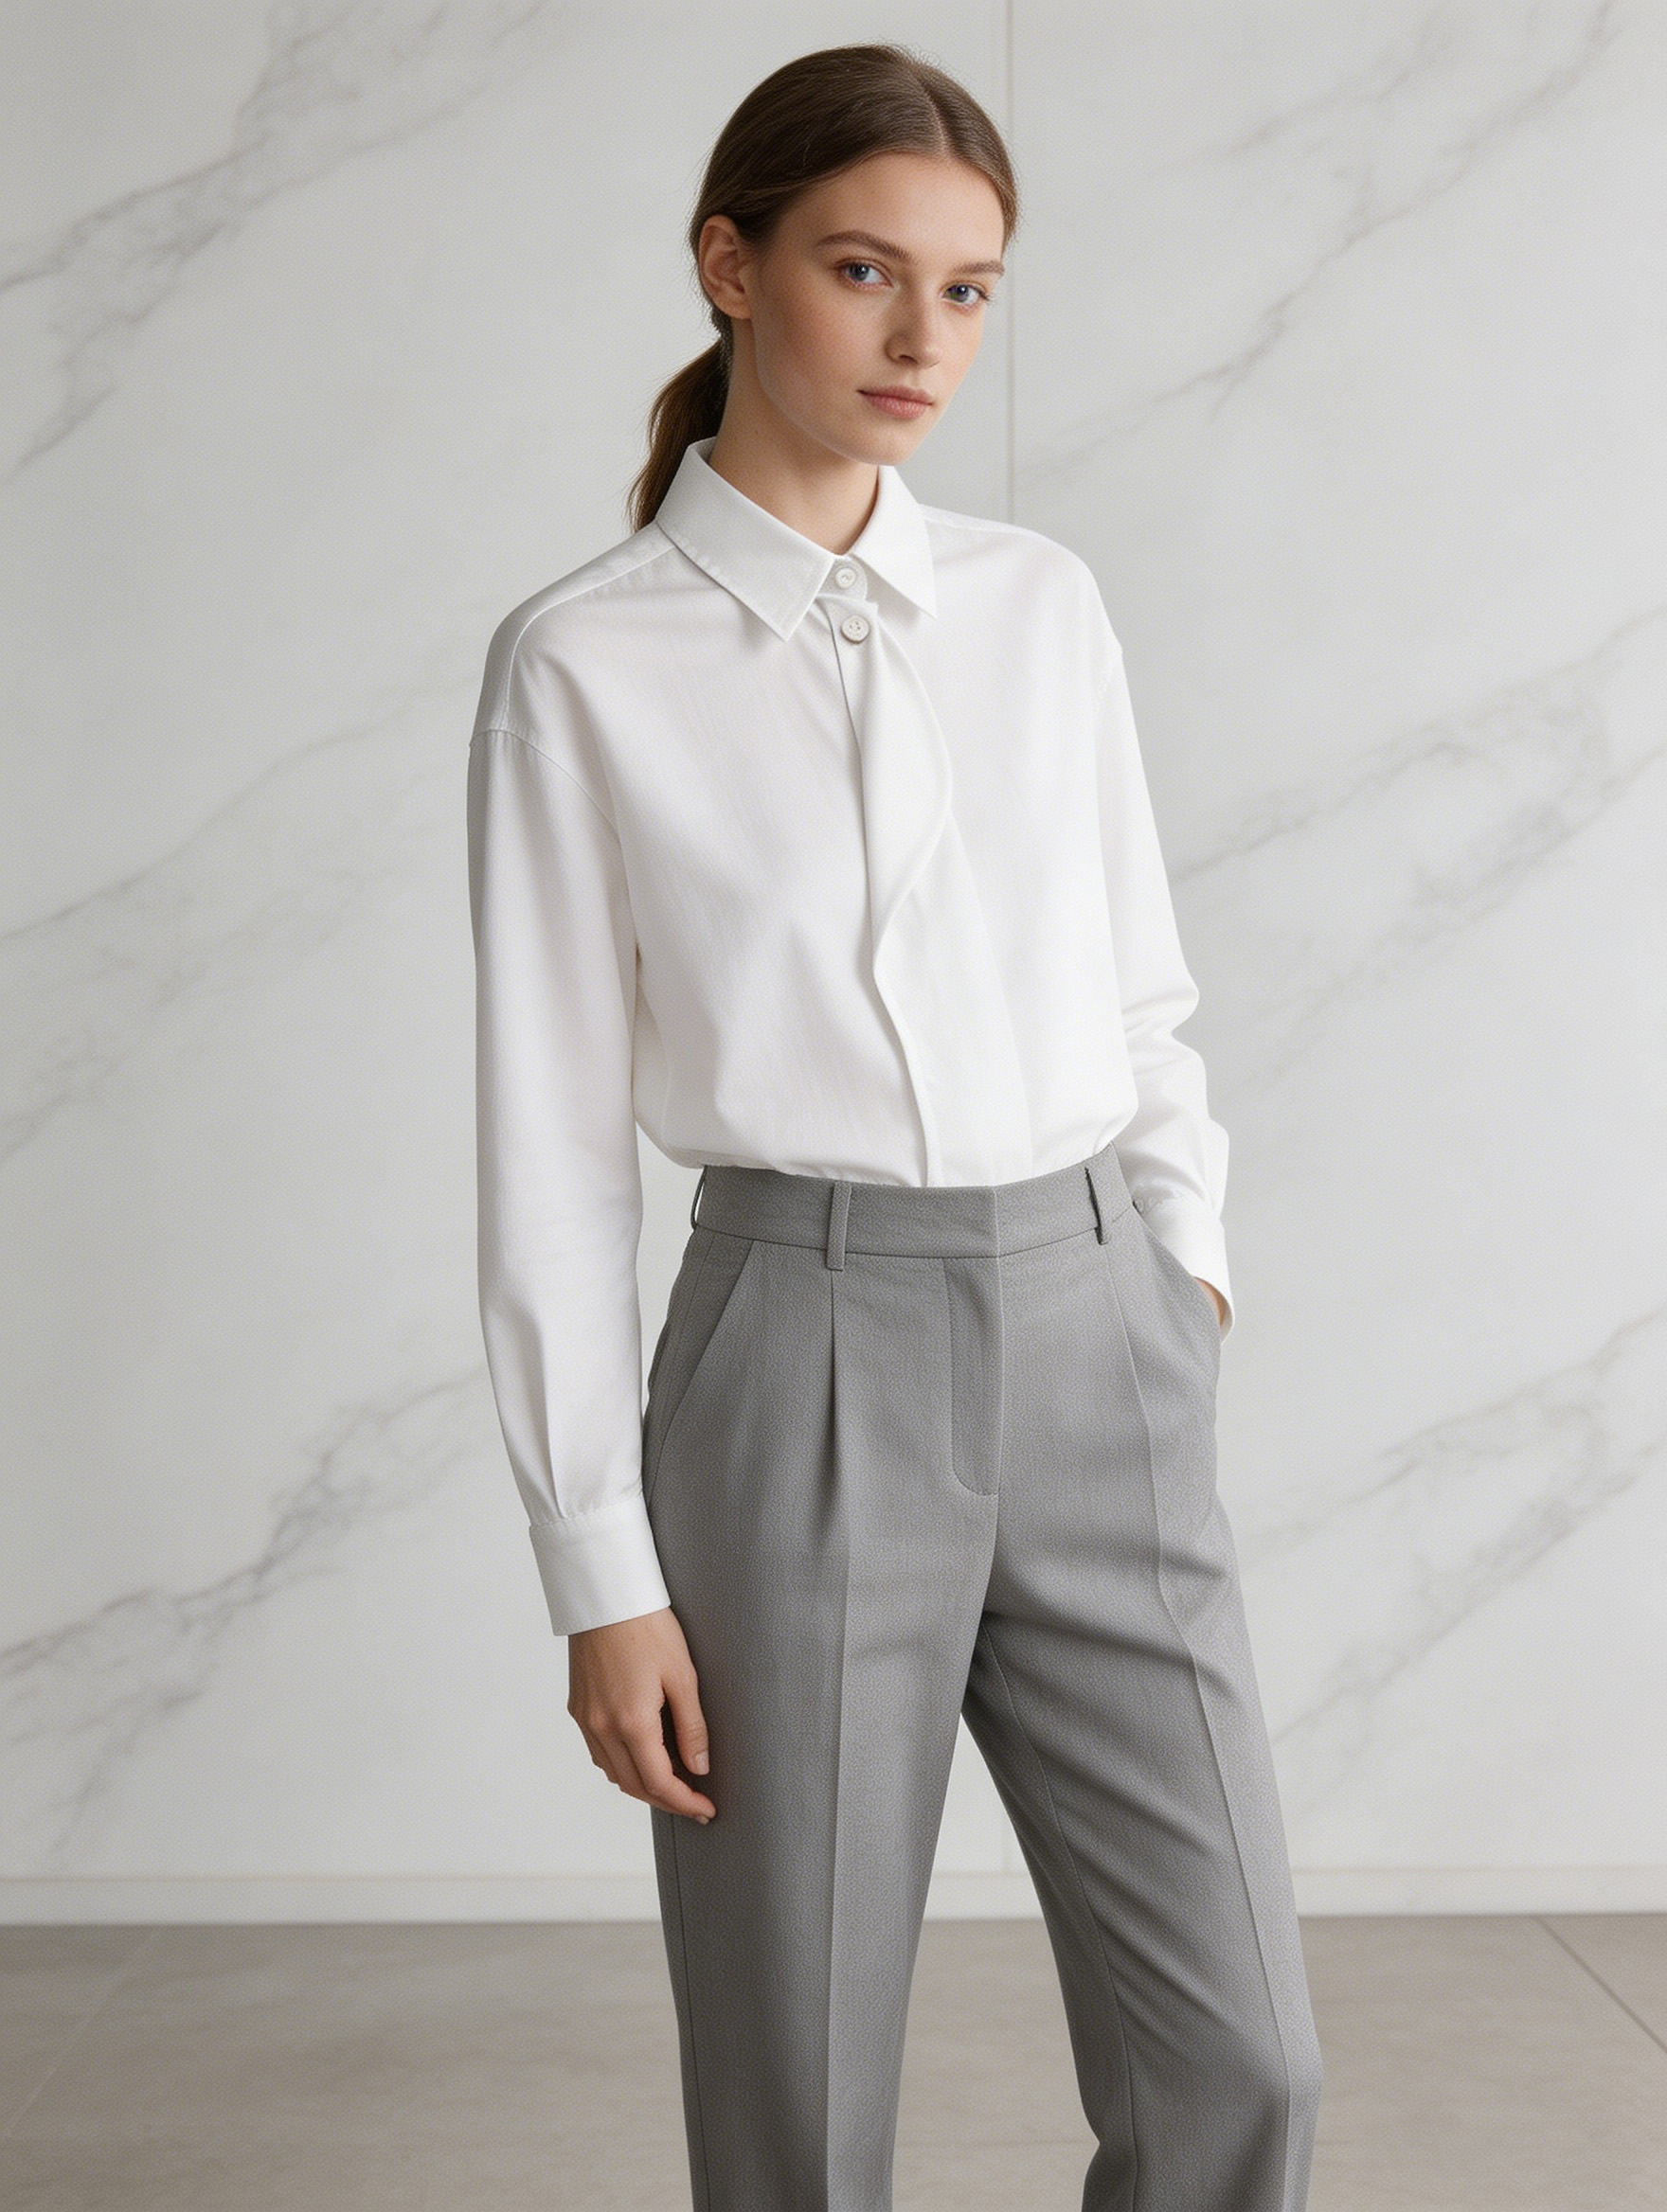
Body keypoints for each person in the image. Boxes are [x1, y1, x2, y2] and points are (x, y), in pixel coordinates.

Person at [465, 40, 1323, 2212]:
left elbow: (1139, 995)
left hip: (1101, 1339)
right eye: (864, 271)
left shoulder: (1040, 608)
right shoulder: (583, 664)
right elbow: (551, 1153)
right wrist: (598, 1568)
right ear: (729, 265)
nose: (921, 337)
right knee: (800, 2084)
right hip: (799, 1362)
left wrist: (1184, 1271)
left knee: (1243, 2059)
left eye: (967, 289)